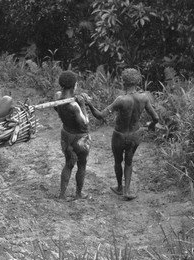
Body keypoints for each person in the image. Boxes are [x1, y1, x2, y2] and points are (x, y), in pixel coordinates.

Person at [86, 68, 159, 201]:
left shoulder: (121, 100)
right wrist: (151, 125)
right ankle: (127, 190)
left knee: (118, 161)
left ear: (123, 82)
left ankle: (119, 187)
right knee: (129, 162)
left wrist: (89, 104)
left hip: (119, 135)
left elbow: (100, 115)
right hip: (135, 135)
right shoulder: (144, 98)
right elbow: (156, 118)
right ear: (138, 82)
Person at [54, 70, 94, 200]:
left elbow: (56, 108)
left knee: (68, 164)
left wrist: (78, 98)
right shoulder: (74, 106)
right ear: (75, 85)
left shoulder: (57, 96)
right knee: (81, 164)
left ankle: (62, 194)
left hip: (66, 135)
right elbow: (85, 123)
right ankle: (78, 193)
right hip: (80, 138)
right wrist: (83, 105)